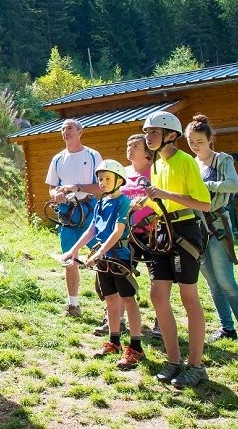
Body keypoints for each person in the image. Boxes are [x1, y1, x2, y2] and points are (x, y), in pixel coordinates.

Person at [138, 110, 212, 388]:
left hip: (185, 232)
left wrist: (164, 195)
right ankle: (173, 361)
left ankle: (196, 366)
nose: (148, 137)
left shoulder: (185, 162)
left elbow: (204, 203)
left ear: (170, 135)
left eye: (153, 132)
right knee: (158, 295)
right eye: (146, 132)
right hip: (162, 232)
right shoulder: (157, 164)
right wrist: (141, 206)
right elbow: (159, 200)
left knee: (188, 297)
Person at [185, 114, 238, 355]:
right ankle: (227, 327)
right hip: (196, 228)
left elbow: (233, 185)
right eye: (191, 142)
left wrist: (206, 186)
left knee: (226, 281)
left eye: (199, 141)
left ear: (210, 139)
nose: (195, 146)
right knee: (213, 283)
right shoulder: (190, 163)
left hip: (217, 225)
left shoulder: (222, 160)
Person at [62, 160, 145, 369]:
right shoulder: (100, 202)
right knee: (110, 299)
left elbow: (118, 231)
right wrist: (74, 250)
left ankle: (136, 347)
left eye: (107, 178)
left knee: (128, 300)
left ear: (119, 180)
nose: (102, 182)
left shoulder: (123, 202)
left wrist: (98, 253)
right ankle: (114, 342)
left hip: (119, 257)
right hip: (104, 258)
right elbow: (91, 230)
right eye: (100, 179)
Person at [95, 133, 154, 337]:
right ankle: (114, 322)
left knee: (157, 279)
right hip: (126, 237)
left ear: (147, 151)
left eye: (136, 145)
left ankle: (159, 322)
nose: (130, 148)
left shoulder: (155, 171)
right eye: (128, 145)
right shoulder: (122, 173)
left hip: (150, 233)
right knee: (119, 277)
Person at [46, 119, 102, 317]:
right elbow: (52, 188)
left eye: (69, 128)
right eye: (62, 129)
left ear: (80, 132)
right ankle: (73, 305)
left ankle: (110, 307)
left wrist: (77, 187)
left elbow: (101, 186)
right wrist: (57, 195)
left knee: (102, 255)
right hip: (67, 213)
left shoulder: (93, 155)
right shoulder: (57, 159)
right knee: (70, 259)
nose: (65, 132)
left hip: (89, 209)